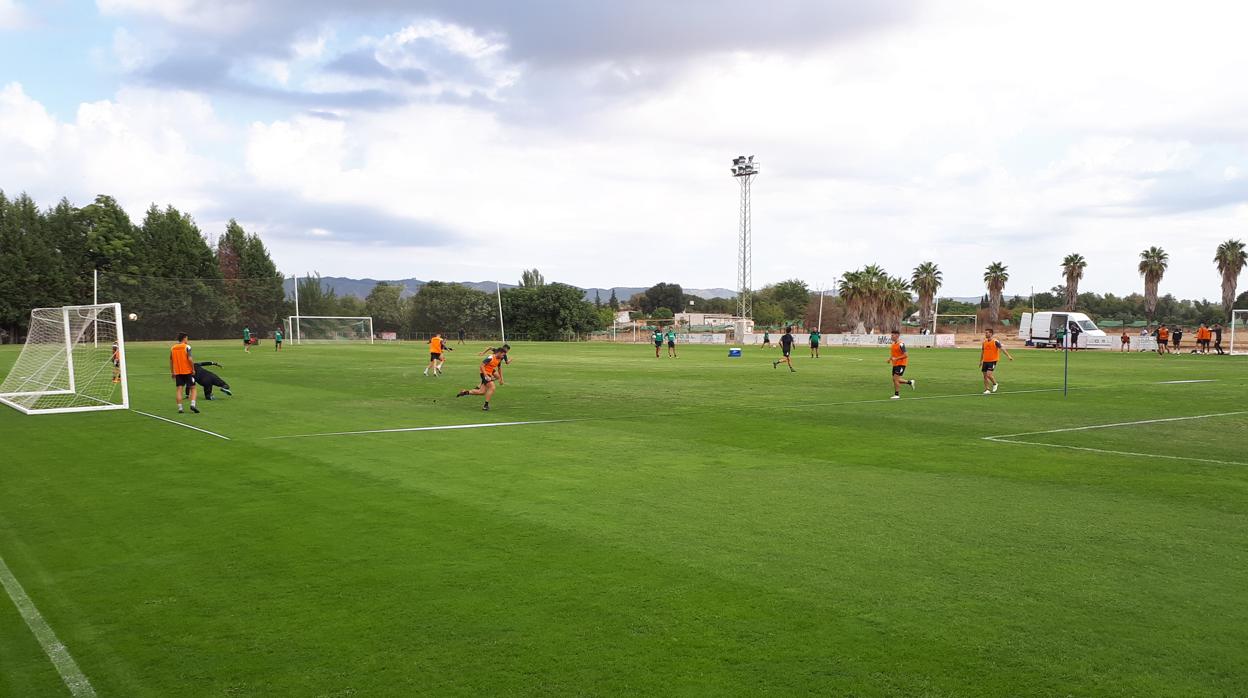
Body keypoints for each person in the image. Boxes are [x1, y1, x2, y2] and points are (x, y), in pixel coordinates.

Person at [457, 346, 508, 411]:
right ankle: (485, 405)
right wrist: (486, 375)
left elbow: (499, 368)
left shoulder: (499, 359)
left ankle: (465, 392)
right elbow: (481, 366)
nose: (503, 357)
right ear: (499, 353)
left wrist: (501, 379)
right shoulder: (490, 357)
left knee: (481, 392)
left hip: (490, 372)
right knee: (492, 387)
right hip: (484, 373)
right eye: (503, 355)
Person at [170, 332, 199, 414]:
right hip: (187, 371)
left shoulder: (173, 348)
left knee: (179, 389)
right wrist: (193, 369)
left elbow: (171, 361)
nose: (187, 340)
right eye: (187, 338)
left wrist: (172, 372)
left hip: (178, 372)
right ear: (184, 338)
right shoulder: (187, 347)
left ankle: (180, 408)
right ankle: (193, 405)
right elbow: (189, 359)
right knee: (193, 388)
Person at [980, 328, 1013, 394]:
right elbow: (983, 352)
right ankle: (987, 389)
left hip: (992, 361)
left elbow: (1002, 348)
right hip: (985, 361)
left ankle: (995, 384)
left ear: (991, 334)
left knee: (989, 375)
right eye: (985, 333)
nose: (985, 334)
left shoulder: (995, 341)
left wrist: (1008, 356)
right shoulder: (984, 342)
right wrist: (981, 361)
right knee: (985, 376)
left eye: (987, 333)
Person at [886, 330, 916, 399]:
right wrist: (890, 359)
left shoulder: (901, 344)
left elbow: (906, 355)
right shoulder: (893, 344)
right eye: (891, 335)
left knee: (896, 379)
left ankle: (897, 395)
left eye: (892, 335)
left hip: (901, 364)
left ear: (897, 336)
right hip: (895, 364)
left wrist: (896, 359)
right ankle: (910, 382)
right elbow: (894, 354)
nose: (891, 336)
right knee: (895, 379)